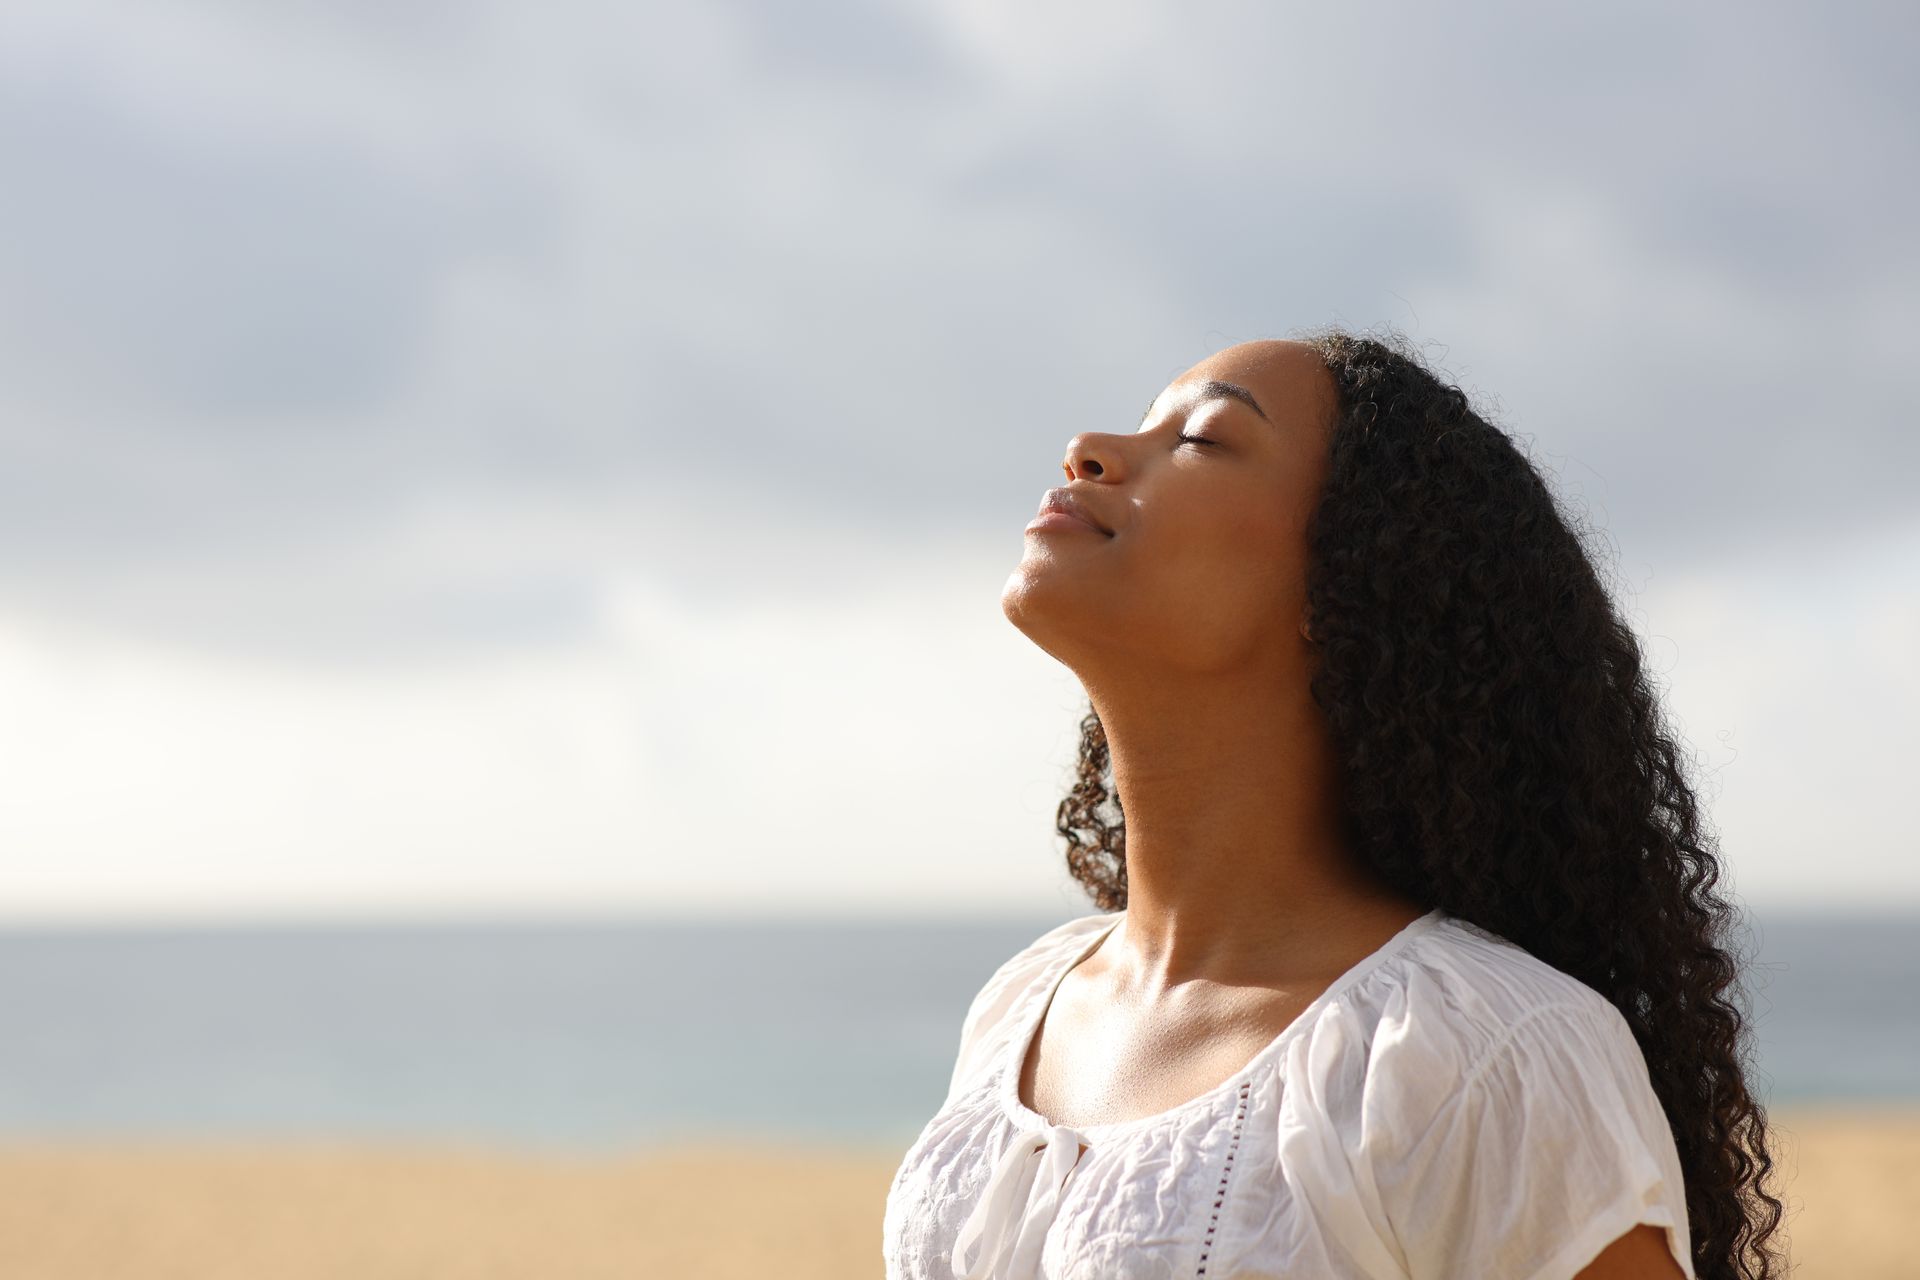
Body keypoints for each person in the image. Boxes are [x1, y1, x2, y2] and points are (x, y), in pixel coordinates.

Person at [880, 330, 1785, 1280]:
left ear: (1347, 580)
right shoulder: (1023, 1005)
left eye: (1202, 440)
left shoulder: (1482, 1050)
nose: (1090, 449)